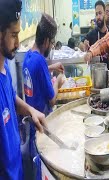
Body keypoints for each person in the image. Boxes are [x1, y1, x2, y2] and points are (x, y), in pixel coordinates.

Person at [0, 1, 46, 179]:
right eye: (13, 35)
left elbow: (11, 98)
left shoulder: (4, 68)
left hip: (17, 170)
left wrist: (31, 110)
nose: (18, 43)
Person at [22, 13, 65, 180]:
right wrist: (59, 82)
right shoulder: (40, 61)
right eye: (52, 43)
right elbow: (52, 98)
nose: (51, 47)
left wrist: (51, 67)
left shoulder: (28, 56)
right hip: (44, 127)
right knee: (46, 167)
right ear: (47, 41)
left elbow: (36, 72)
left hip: (32, 127)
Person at [80, 1, 109, 69]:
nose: (98, 17)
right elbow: (80, 44)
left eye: (100, 13)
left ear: (105, 14)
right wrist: (84, 46)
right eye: (96, 14)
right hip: (96, 72)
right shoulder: (92, 33)